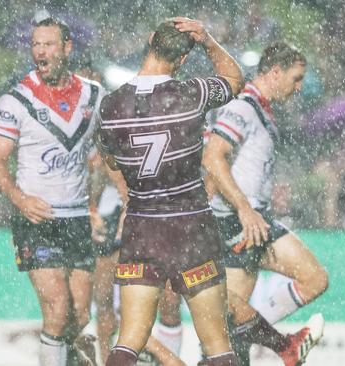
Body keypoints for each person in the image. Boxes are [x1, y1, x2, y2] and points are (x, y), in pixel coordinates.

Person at [98, 17, 244, 366]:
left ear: (150, 42)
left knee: (129, 341)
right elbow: (236, 80)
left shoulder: (111, 107)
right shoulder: (191, 94)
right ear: (181, 61)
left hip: (142, 226)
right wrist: (208, 40)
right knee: (218, 346)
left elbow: (112, 162)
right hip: (190, 225)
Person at [0, 16, 105, 366]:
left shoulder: (95, 96)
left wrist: (99, 206)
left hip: (78, 218)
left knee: (80, 317)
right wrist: (20, 199)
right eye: (36, 44)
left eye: (49, 44)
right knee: (57, 311)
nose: (41, 51)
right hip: (36, 219)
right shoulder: (14, 101)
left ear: (67, 48)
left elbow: (105, 158)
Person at [203, 41, 328, 365]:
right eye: (296, 78)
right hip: (239, 220)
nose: (298, 87)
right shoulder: (243, 107)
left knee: (231, 327)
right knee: (313, 280)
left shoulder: (260, 109)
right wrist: (244, 209)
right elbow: (213, 156)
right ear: (275, 72)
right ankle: (283, 345)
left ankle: (269, 341)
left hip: (251, 218)